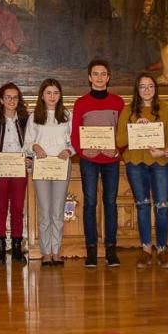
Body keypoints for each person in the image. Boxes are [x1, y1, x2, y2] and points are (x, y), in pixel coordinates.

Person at [116, 74, 168, 269]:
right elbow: (119, 141)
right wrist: (134, 127)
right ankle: (145, 249)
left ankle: (162, 248)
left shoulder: (165, 110)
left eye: (151, 86)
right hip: (135, 163)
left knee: (162, 206)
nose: (147, 90)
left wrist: (162, 151)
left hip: (159, 162)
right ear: (137, 89)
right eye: (143, 86)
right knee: (142, 205)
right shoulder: (128, 111)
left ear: (155, 89)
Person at [70, 59, 125, 267]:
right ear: (89, 77)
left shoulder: (118, 102)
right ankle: (91, 250)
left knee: (110, 203)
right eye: (96, 73)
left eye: (103, 74)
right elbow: (75, 134)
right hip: (89, 161)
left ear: (108, 77)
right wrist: (83, 151)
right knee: (90, 203)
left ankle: (111, 249)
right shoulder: (81, 103)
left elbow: (123, 133)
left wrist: (118, 150)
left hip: (111, 160)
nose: (100, 77)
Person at [25, 79, 74, 267]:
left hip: (62, 164)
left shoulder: (67, 115)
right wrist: (35, 146)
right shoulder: (34, 116)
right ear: (42, 95)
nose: (52, 96)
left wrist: (69, 151)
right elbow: (27, 143)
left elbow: (74, 142)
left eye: (55, 92)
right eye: (48, 93)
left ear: (60, 95)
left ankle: (56, 251)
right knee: (45, 210)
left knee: (57, 209)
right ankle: (45, 252)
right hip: (42, 165)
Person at [0, 82, 29, 265]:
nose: (11, 100)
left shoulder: (25, 120)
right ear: (1, 99)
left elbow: (31, 142)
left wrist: (29, 157)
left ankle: (16, 247)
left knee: (18, 209)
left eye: (15, 97)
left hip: (19, 169)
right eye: (8, 97)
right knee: (0, 208)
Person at [61, 0, 113, 64]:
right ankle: (108, 64)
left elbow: (76, 3)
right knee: (104, 40)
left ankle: (89, 64)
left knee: (89, 41)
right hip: (104, 11)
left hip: (91, 14)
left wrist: (76, 22)